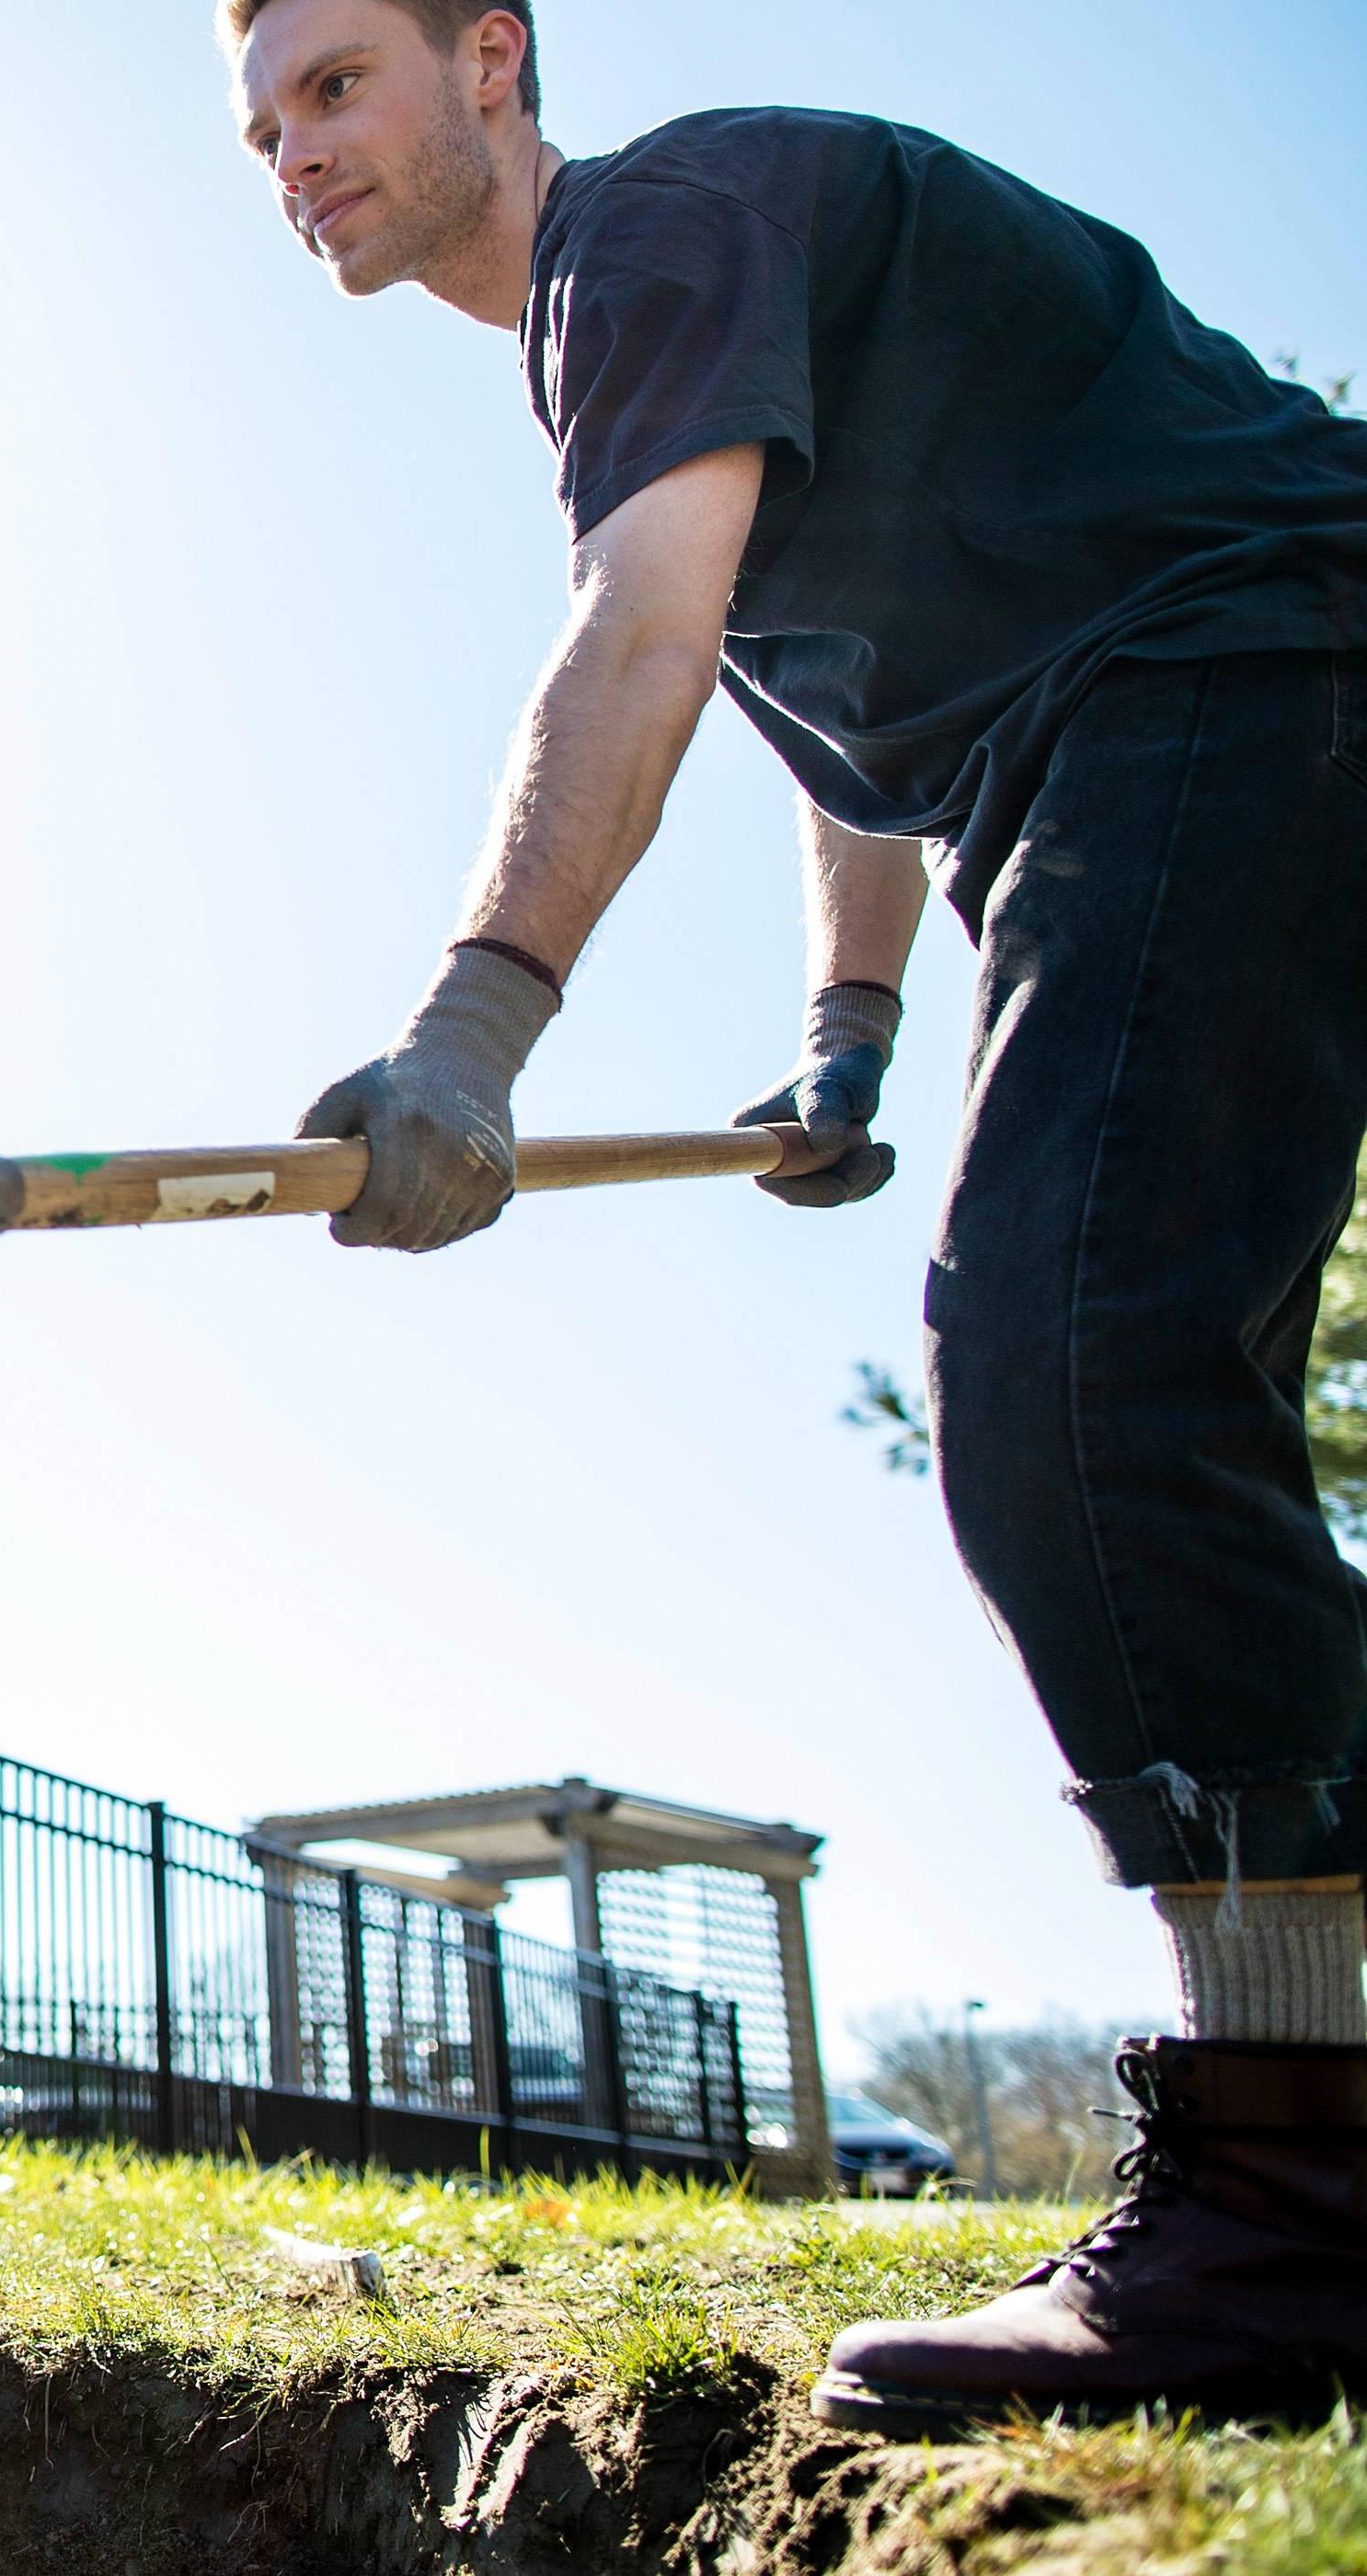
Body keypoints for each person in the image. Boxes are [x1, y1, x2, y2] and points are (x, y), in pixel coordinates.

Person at [220, 0, 1367, 2430]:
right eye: (261, 119)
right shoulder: (658, 346)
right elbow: (839, 726)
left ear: (490, 59)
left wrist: (475, 1035)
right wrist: (849, 1032)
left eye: (335, 84)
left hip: (1256, 660)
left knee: (1084, 1384)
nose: (289, 150)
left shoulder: (656, 230)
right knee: (1124, 1377)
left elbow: (637, 636)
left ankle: (1299, 2213)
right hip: (1167, 720)